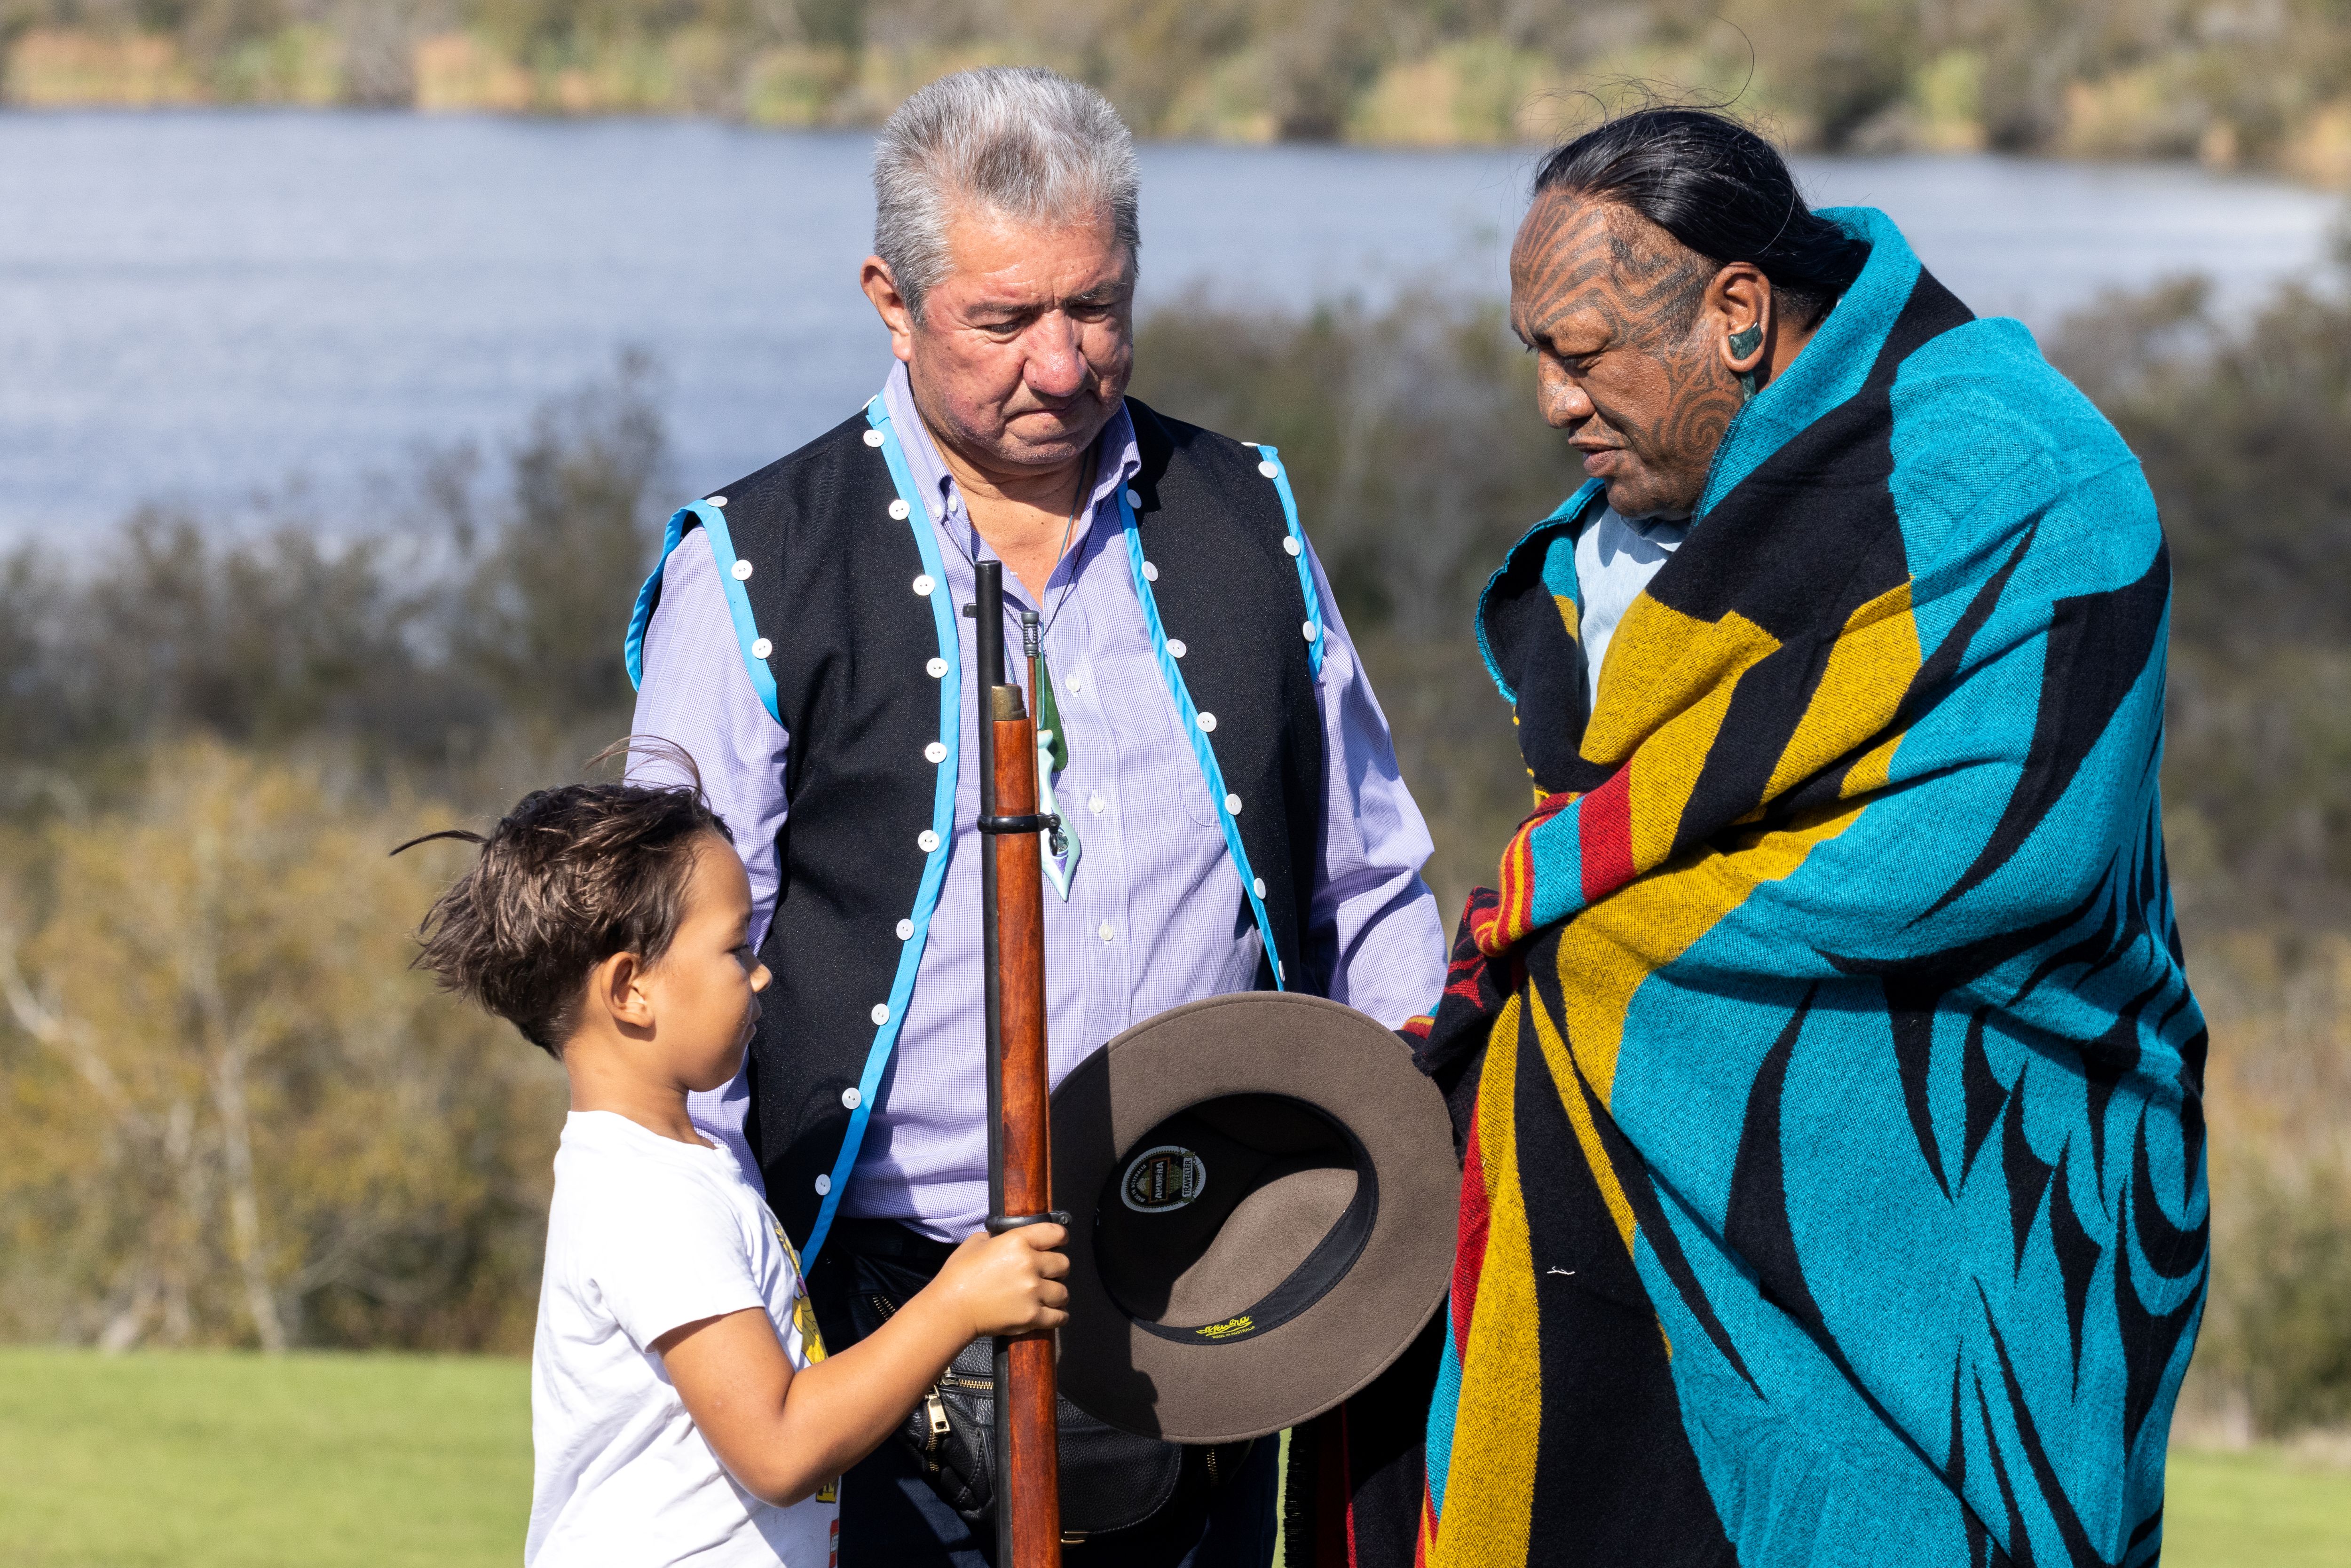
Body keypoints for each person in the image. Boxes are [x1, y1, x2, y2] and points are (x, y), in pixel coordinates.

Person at [621, 66, 1448, 1567]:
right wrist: (744, 1334)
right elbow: (661, 978)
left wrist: (1401, 1178)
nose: (1063, 366)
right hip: (891, 1316)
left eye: (1097, 309)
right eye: (1005, 322)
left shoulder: (1248, 510)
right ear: (891, 297)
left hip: (1232, 1267)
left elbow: (1372, 882)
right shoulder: (749, 567)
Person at [1406, 110, 2209, 1566]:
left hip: (1975, 1194)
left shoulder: (2020, 481)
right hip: (1620, 1226)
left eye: (1583, 354)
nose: (1551, 402)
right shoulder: (1628, 537)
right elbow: (1630, 803)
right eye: (1533, 350)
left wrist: (1574, 930)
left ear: (1737, 315)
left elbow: (2015, 842)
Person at [400, 773, 1070, 1568]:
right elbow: (780, 1448)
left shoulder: (675, 1169)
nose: (760, 974)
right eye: (736, 948)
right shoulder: (650, 1200)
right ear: (631, 990)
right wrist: (957, 1303)